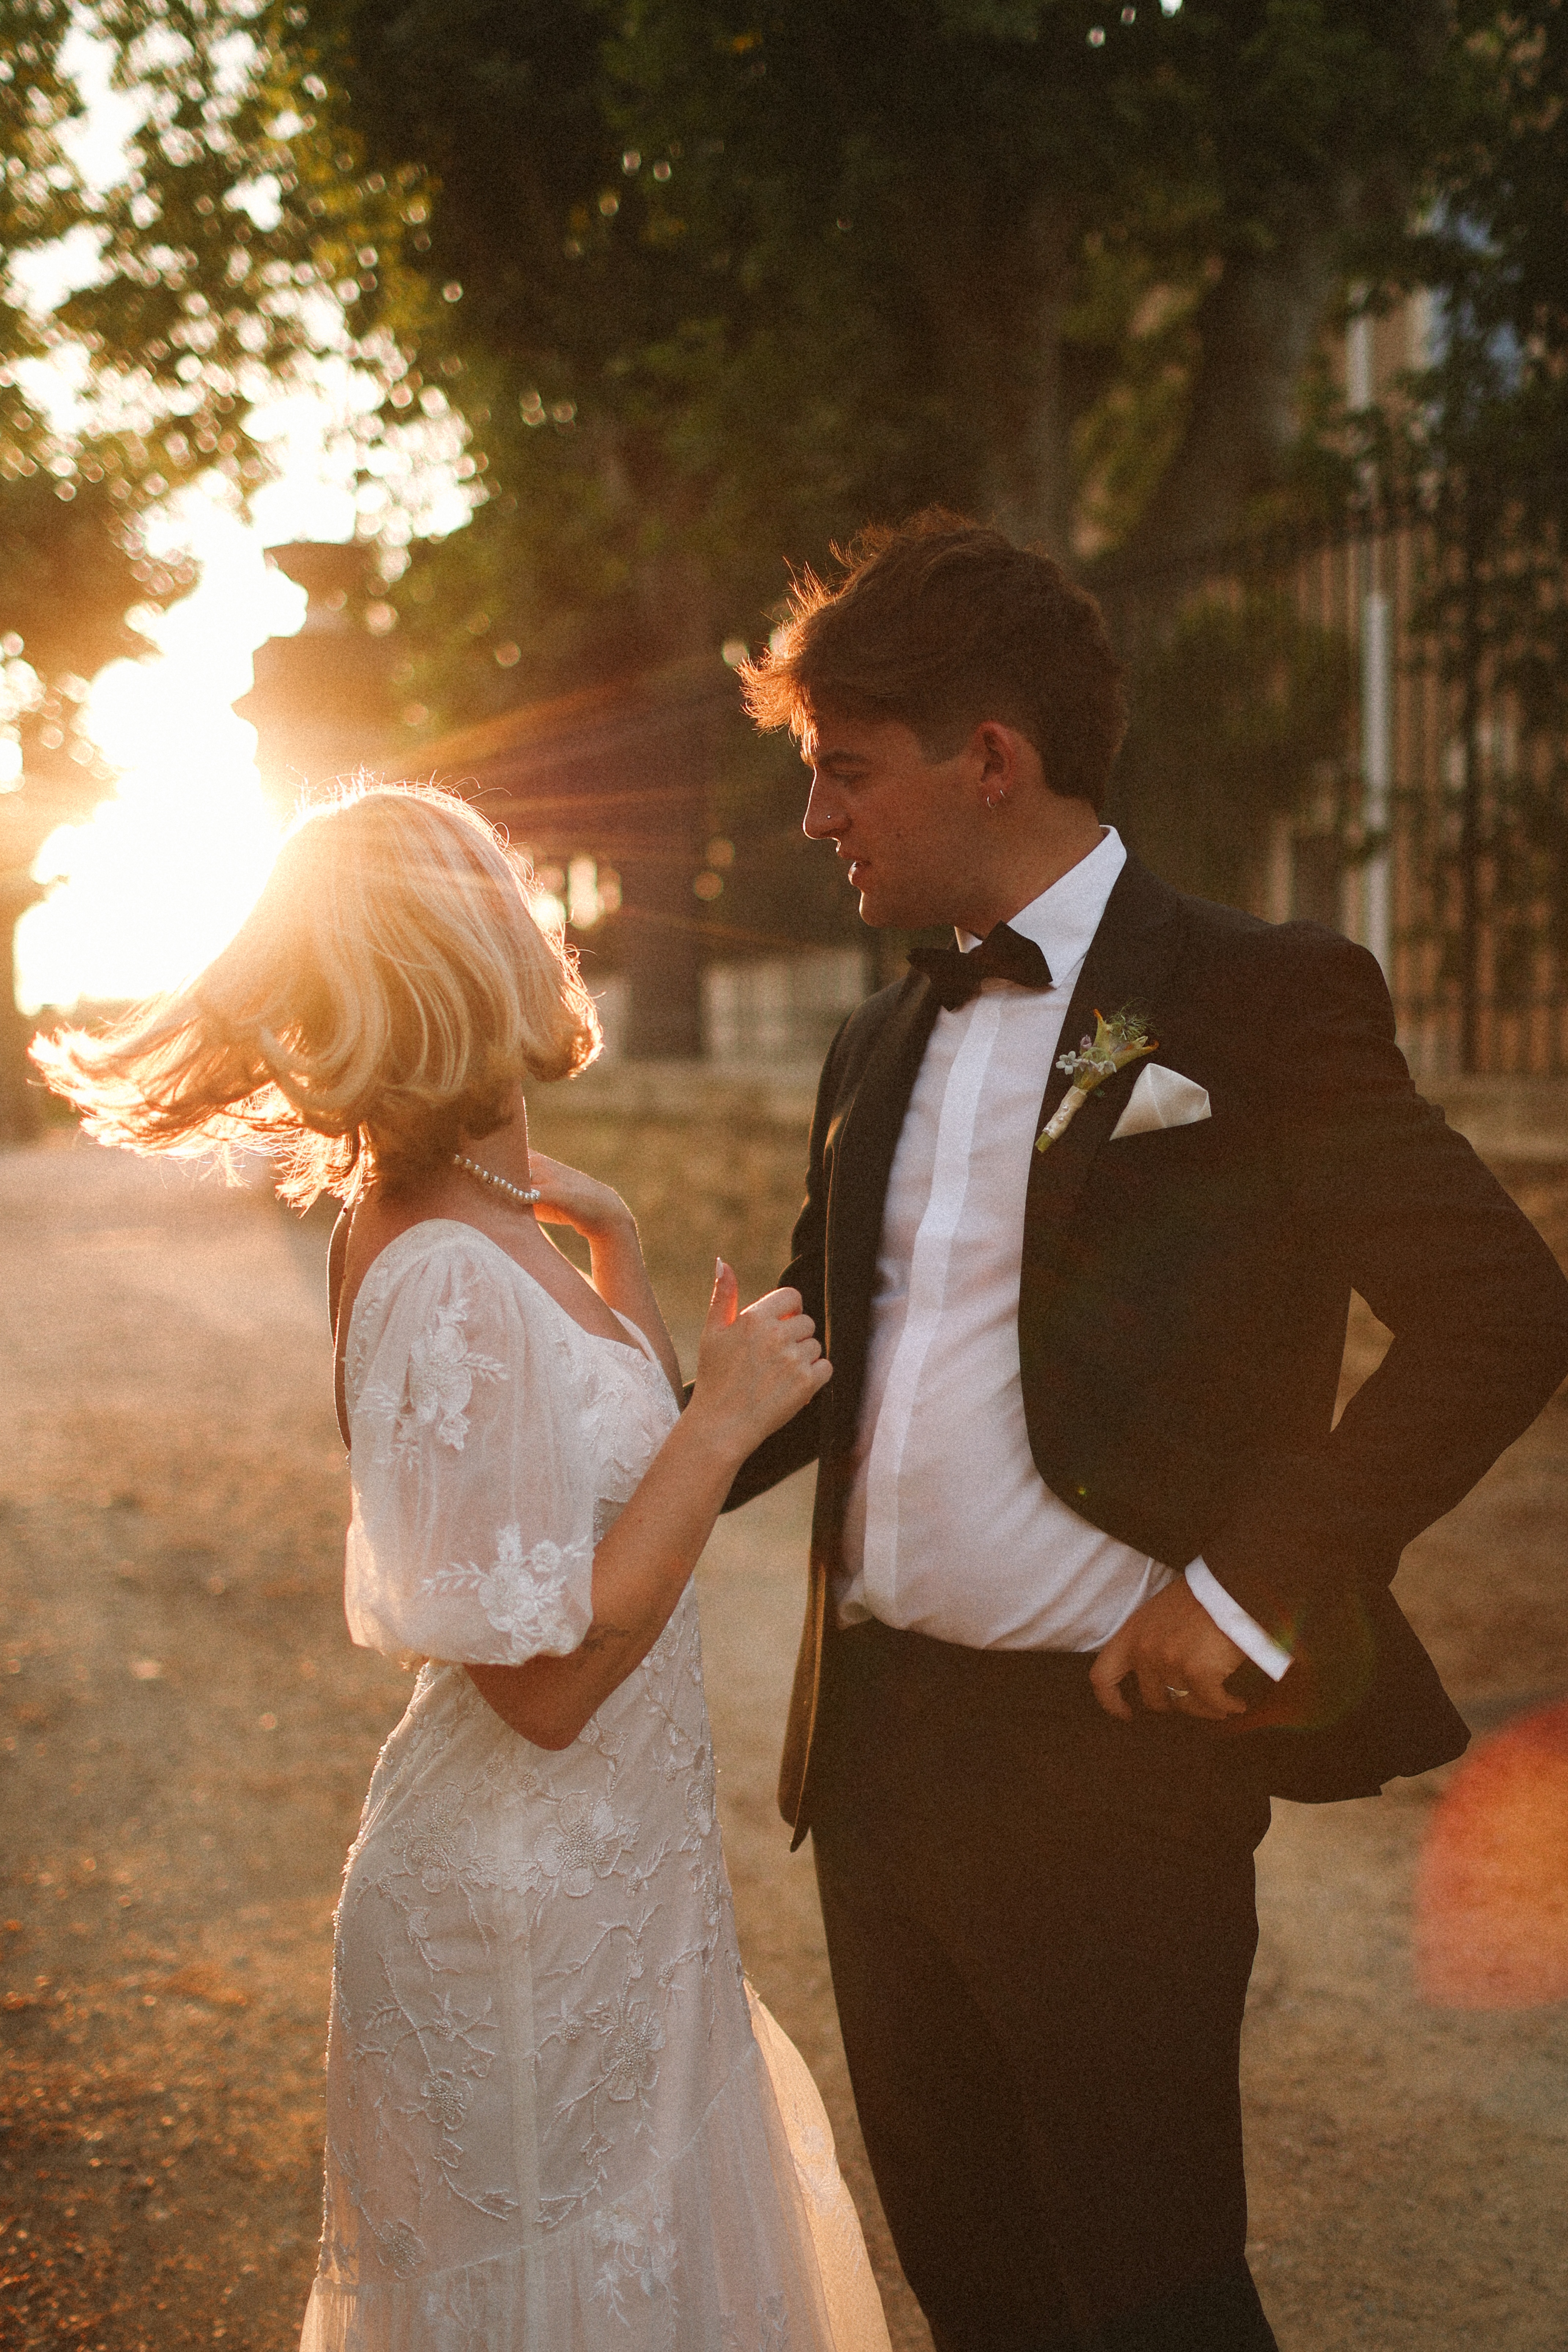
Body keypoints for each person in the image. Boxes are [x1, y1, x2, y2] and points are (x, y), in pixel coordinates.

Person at [726, 513, 1568, 2352]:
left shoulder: (1256, 995)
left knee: (1151, 2290)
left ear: (990, 758)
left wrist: (1249, 1588)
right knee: (972, 2285)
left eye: (843, 771)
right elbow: (815, 1344)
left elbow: (1497, 1311)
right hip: (876, 1761)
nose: (814, 818)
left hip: (1104, 1764)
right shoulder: (873, 1041)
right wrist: (596, 1443)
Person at [33, 784, 893, 2352]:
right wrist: (722, 1425)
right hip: (517, 1920)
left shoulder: (479, 1221)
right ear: (478, 955)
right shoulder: (438, 1266)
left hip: (618, 1896)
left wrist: (620, 1262)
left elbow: (588, 1501)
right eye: (510, 900)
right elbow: (545, 1688)